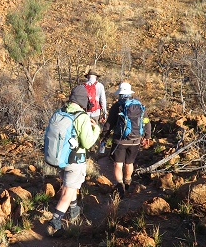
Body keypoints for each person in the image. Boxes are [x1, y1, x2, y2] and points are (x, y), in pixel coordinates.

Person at [47, 85, 101, 236]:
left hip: (61, 159)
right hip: (75, 161)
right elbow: (87, 143)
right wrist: (96, 129)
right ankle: (55, 223)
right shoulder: (82, 117)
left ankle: (74, 210)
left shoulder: (61, 111)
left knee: (69, 185)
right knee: (67, 191)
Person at [102, 81, 152, 198]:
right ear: (130, 93)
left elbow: (109, 124)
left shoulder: (117, 106)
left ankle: (120, 186)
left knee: (118, 164)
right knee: (129, 163)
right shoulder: (138, 105)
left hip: (120, 140)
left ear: (120, 93)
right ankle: (127, 184)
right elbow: (146, 122)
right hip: (135, 140)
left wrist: (104, 137)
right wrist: (147, 136)